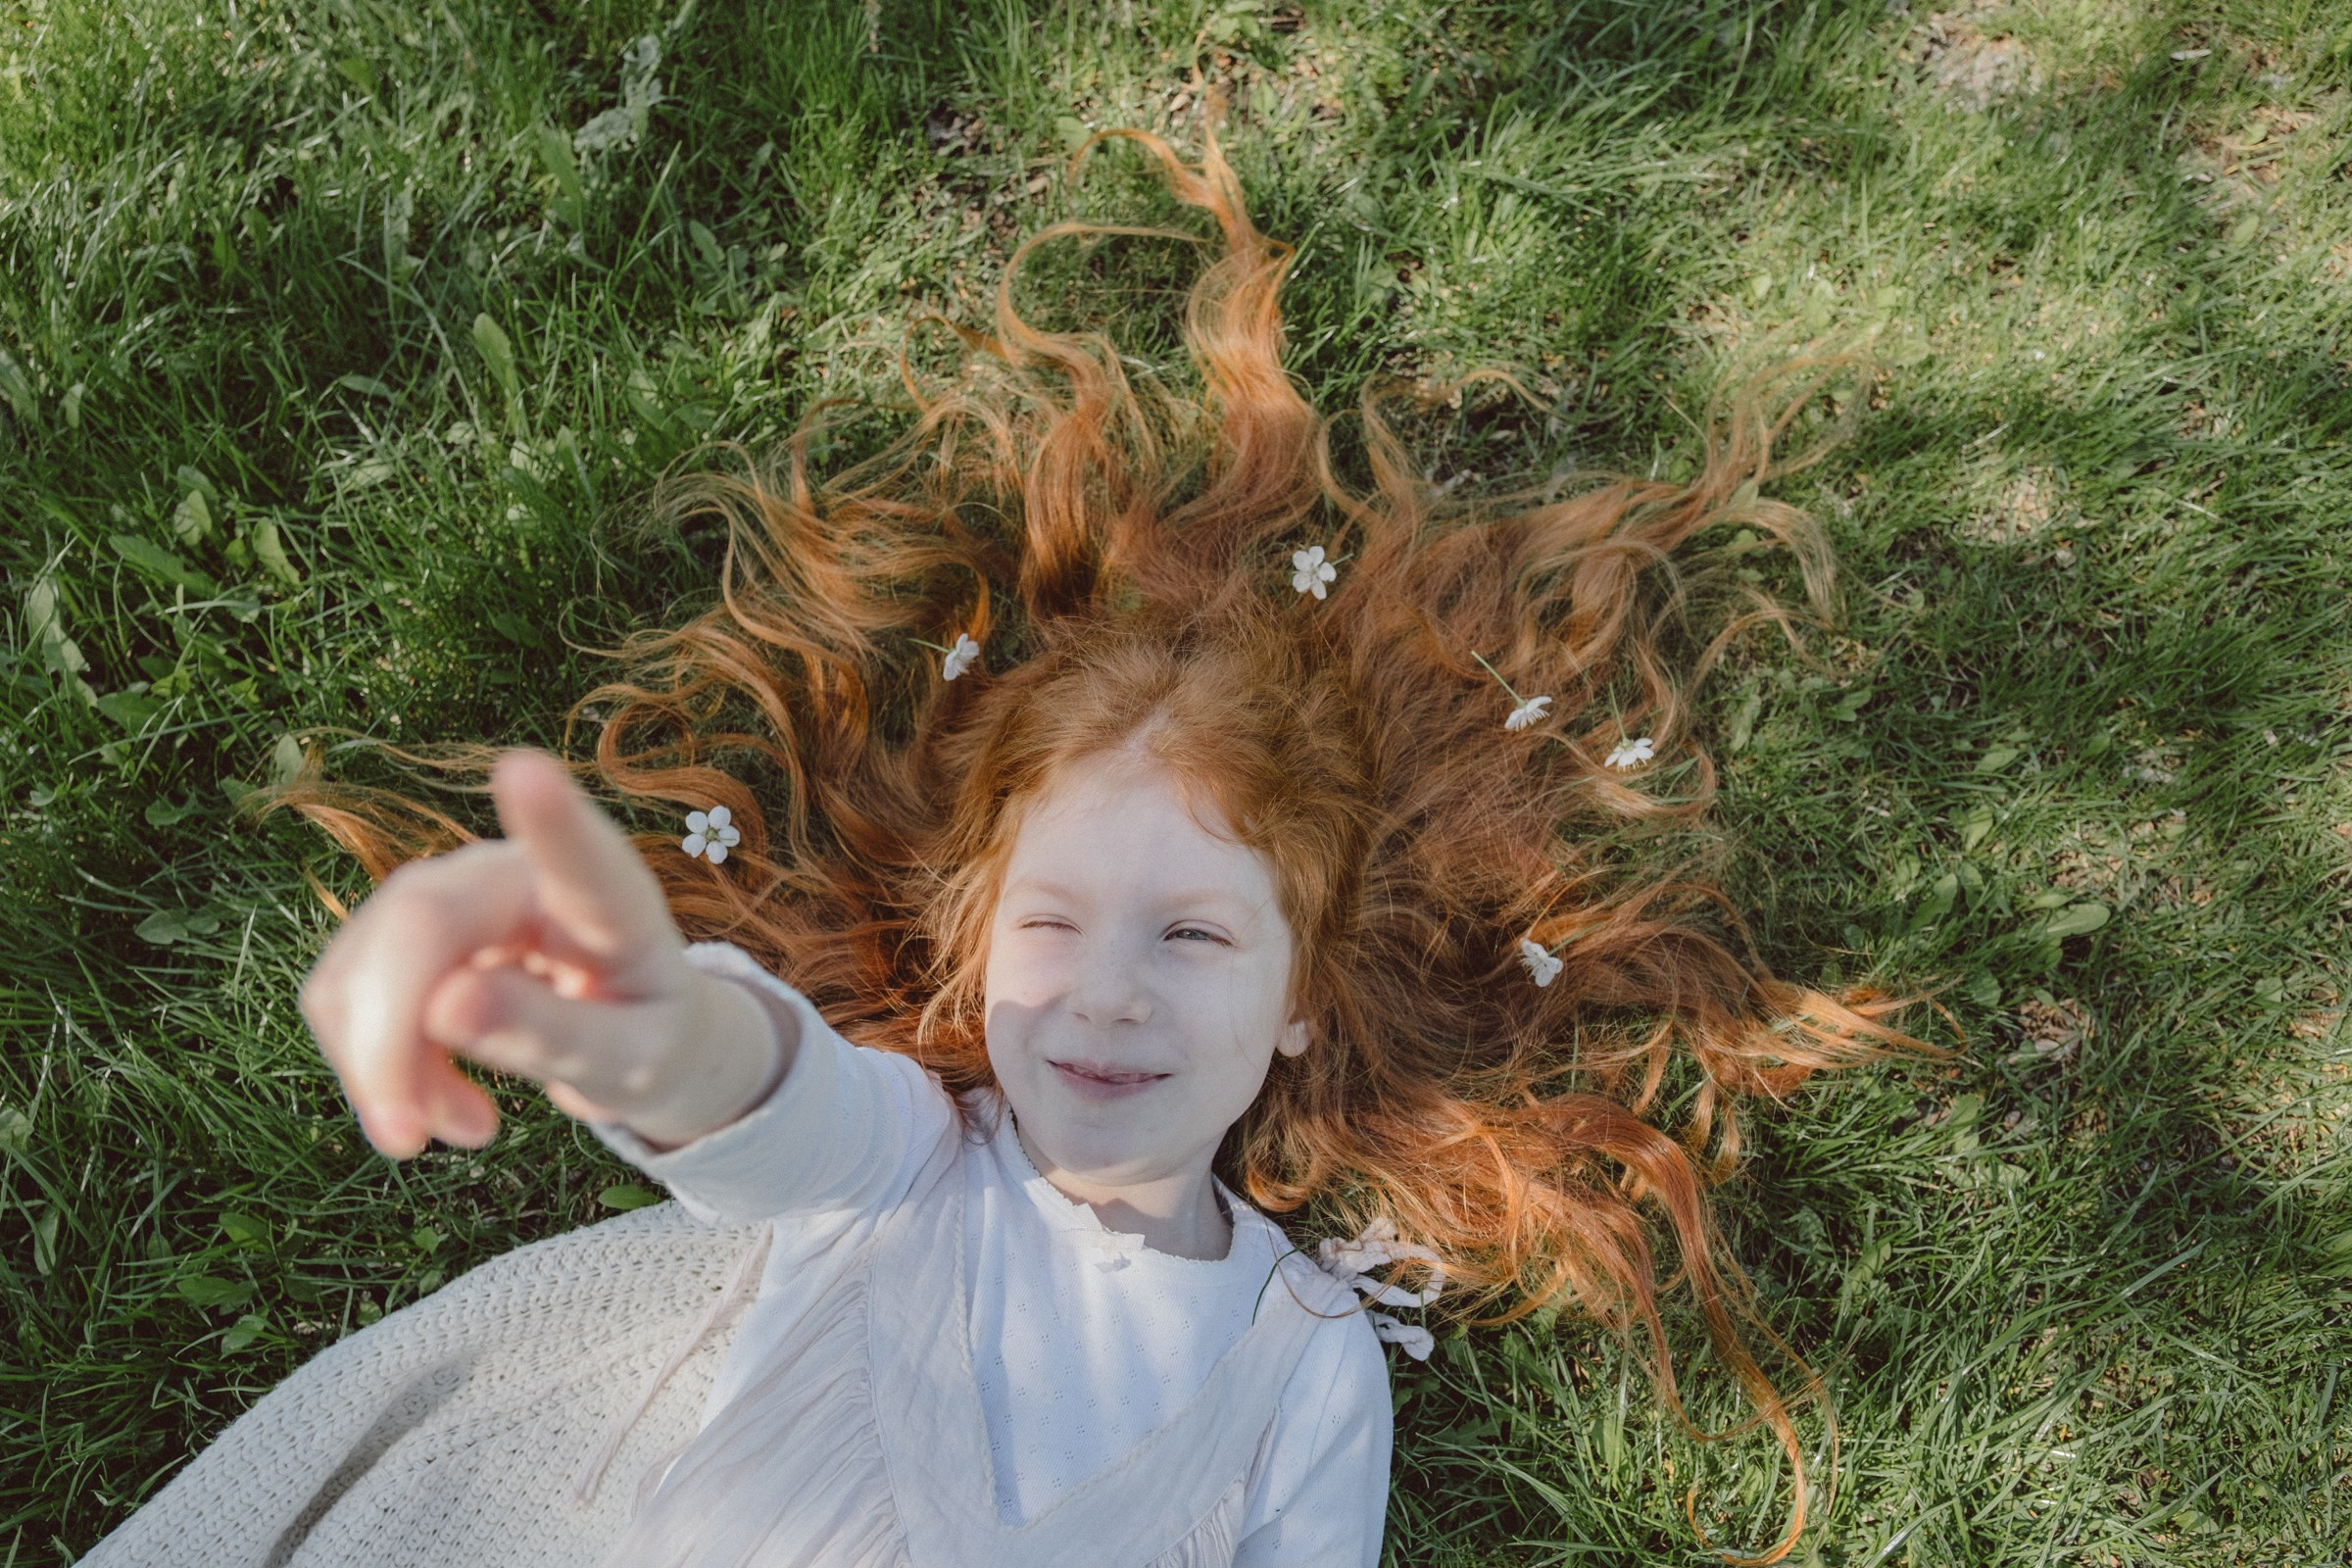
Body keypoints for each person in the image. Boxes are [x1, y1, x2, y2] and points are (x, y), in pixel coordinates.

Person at [89, 132, 1907, 1568]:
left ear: (1299, 999)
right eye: (1052, 926)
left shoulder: (1305, 1364)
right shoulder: (906, 1169)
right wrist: (640, 1031)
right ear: (977, 954)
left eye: (1194, 936)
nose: (1105, 996)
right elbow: (755, 1095)